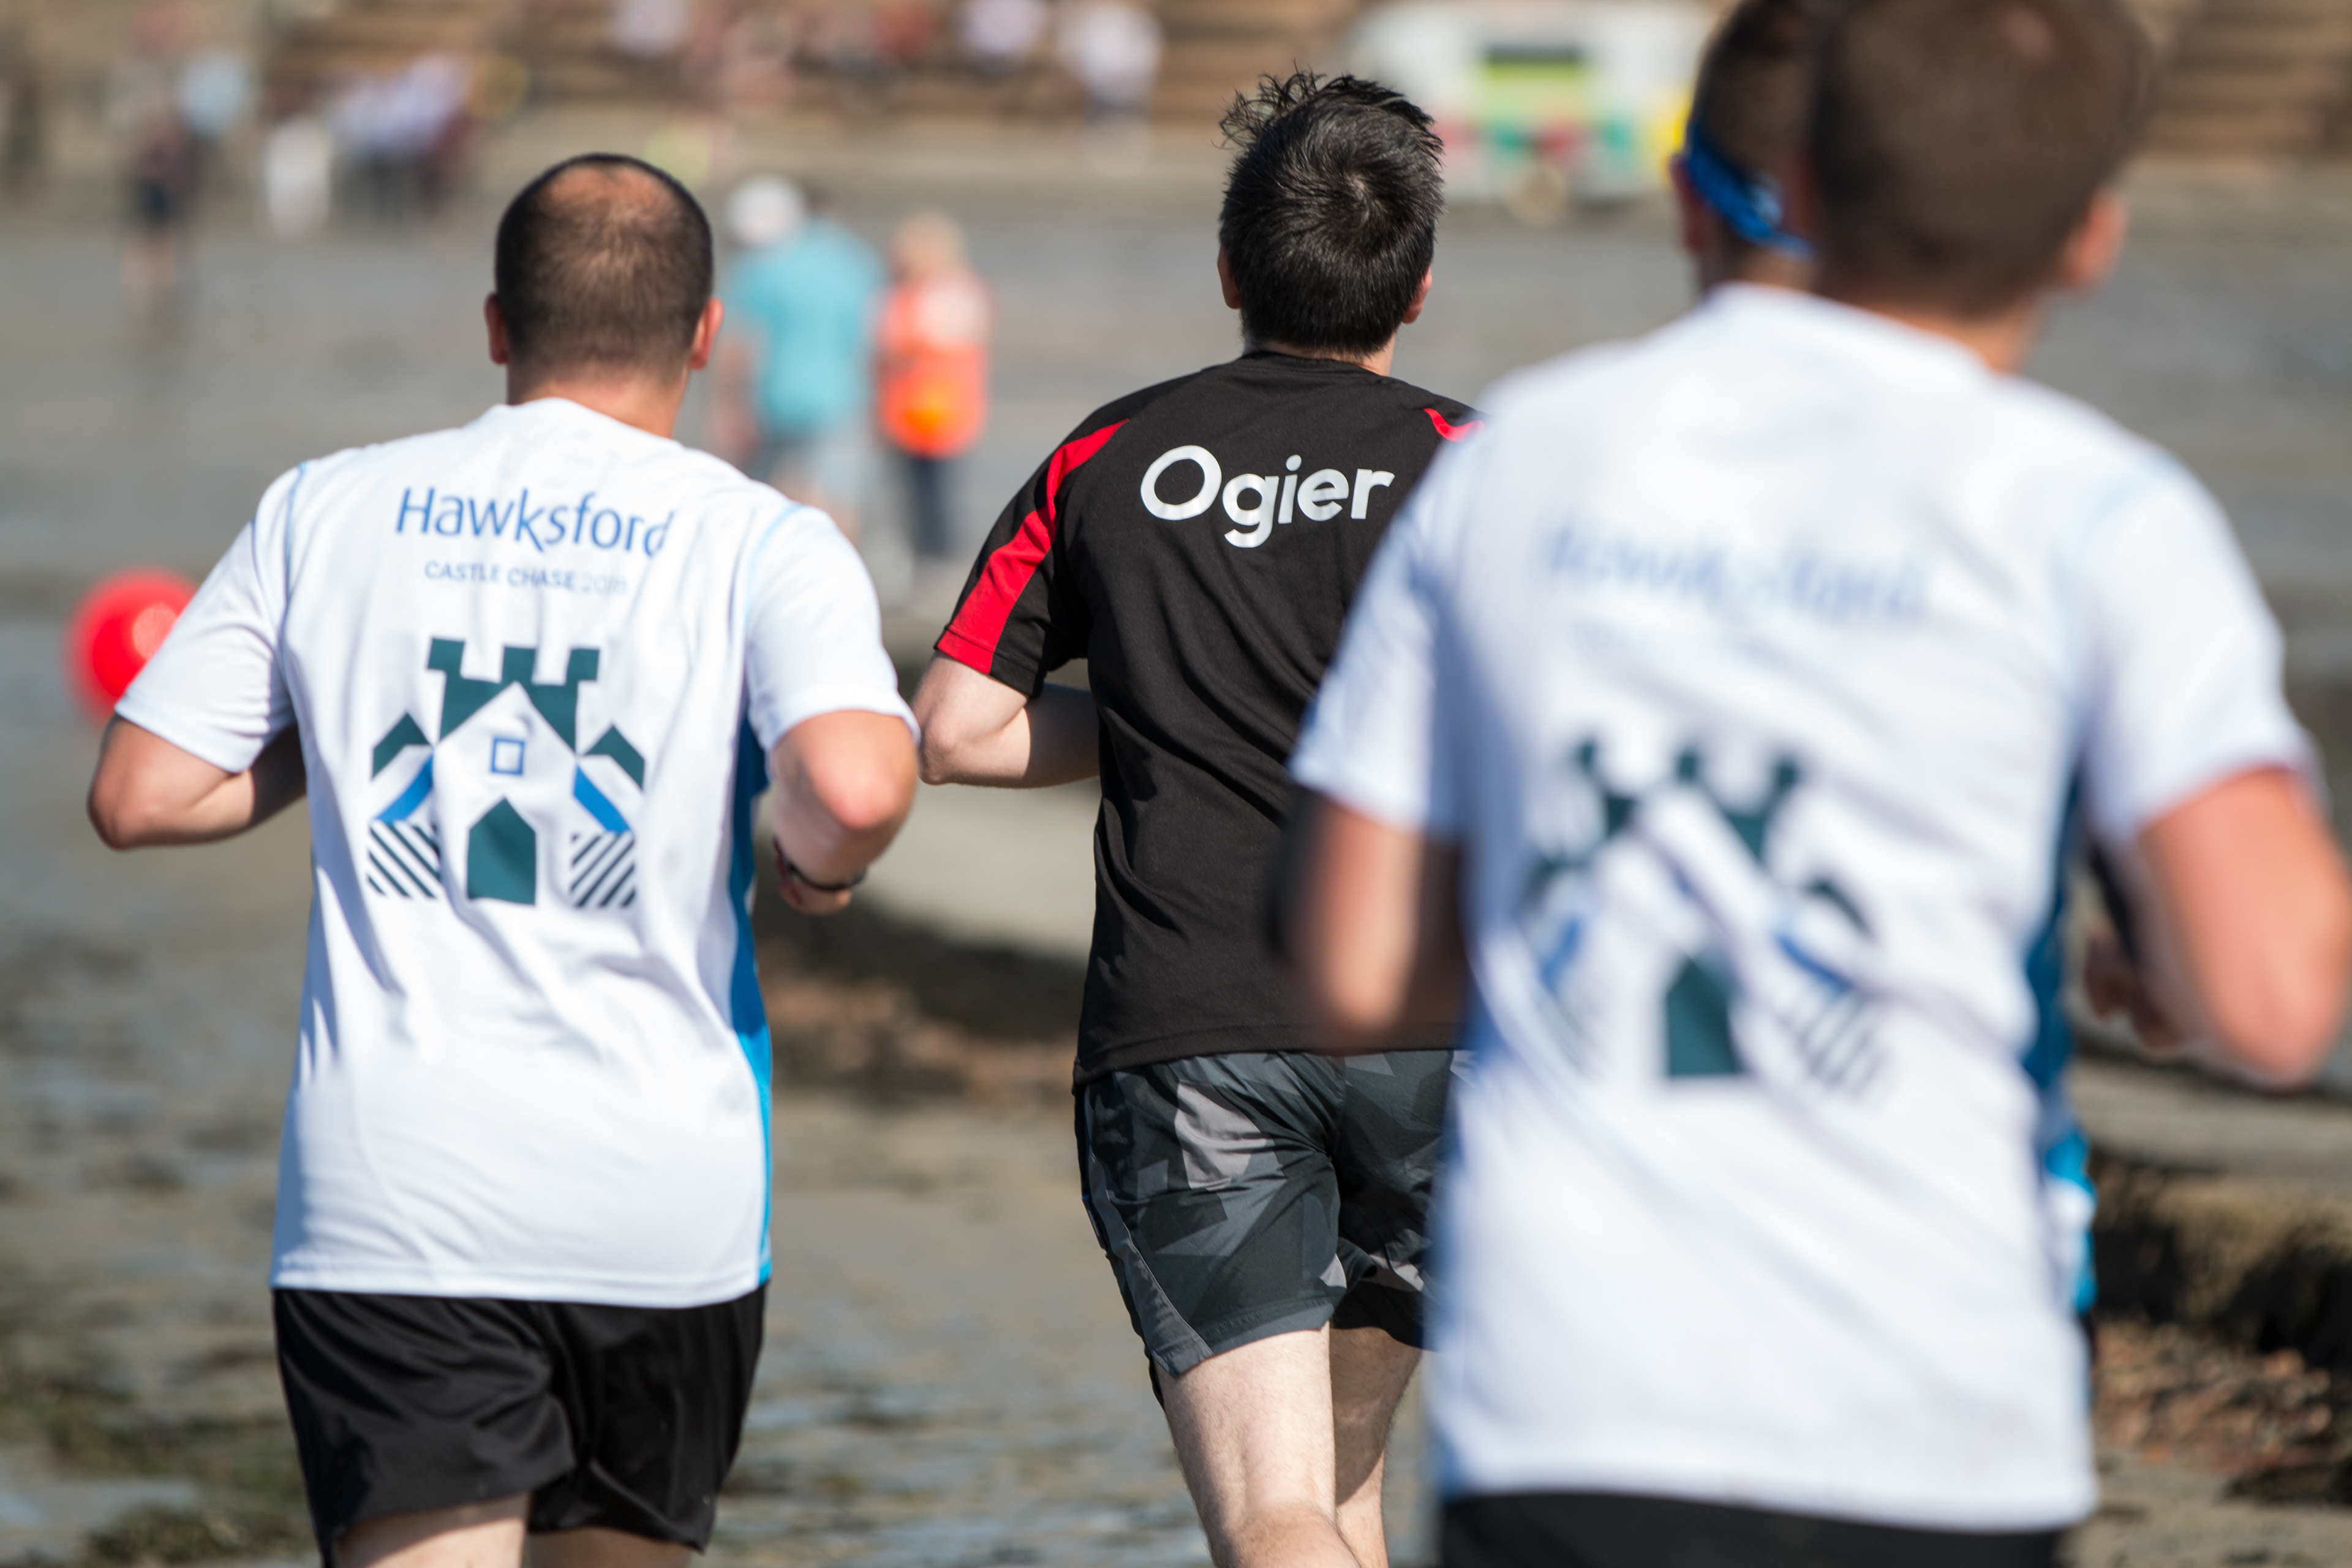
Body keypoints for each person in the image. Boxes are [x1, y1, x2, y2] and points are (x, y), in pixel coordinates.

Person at [1284, 0, 2352, 1563]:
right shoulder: (2100, 513)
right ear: (2089, 242)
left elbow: (1350, 959)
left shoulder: (1518, 458)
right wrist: (2147, 956)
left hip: (1575, 1390)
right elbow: (2273, 1001)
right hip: (1935, 1402)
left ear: (1798, 176)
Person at [86, 153, 918, 1567]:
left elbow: (142, 792)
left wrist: (336, 742)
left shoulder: (326, 504)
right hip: (663, 1197)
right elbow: (850, 785)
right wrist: (820, 864)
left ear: (496, 324)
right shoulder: (766, 540)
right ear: (705, 333)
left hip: (393, 1194)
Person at [912, 71, 1473, 1568]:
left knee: (1277, 1514)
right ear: (1416, 286)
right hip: (1441, 1032)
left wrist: (1164, 715)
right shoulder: (1480, 462)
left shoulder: (1111, 453)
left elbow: (955, 728)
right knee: (1342, 1497)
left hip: (1194, 1036)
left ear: (1229, 270)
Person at [712, 176, 888, 542]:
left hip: (774, 399)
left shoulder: (766, 264)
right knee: (839, 502)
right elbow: (875, 342)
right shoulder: (858, 262)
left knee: (771, 501)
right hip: (842, 398)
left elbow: (742, 344)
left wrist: (730, 406)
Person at [876, 211, 992, 581]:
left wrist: (899, 351)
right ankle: (917, 556)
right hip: (906, 410)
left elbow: (925, 343)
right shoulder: (904, 291)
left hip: (942, 410)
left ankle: (938, 562)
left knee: (938, 492)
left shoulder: (955, 292)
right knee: (911, 489)